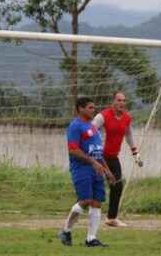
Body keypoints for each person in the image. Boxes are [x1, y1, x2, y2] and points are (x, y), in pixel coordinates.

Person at [58, 97, 116, 247]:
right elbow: (73, 149)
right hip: (82, 168)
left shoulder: (93, 127)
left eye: (93, 107)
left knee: (97, 203)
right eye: (90, 107)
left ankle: (91, 239)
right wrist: (92, 162)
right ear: (81, 109)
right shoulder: (75, 126)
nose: (93, 110)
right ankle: (66, 230)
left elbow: (98, 152)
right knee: (85, 201)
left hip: (97, 168)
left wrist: (107, 171)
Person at [92, 91, 141, 227]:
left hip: (113, 157)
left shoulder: (127, 118)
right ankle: (80, 210)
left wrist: (135, 152)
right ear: (113, 102)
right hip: (99, 157)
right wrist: (94, 147)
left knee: (117, 186)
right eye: (119, 100)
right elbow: (90, 131)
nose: (121, 103)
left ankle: (111, 218)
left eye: (124, 101)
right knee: (95, 186)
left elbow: (129, 134)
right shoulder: (103, 116)